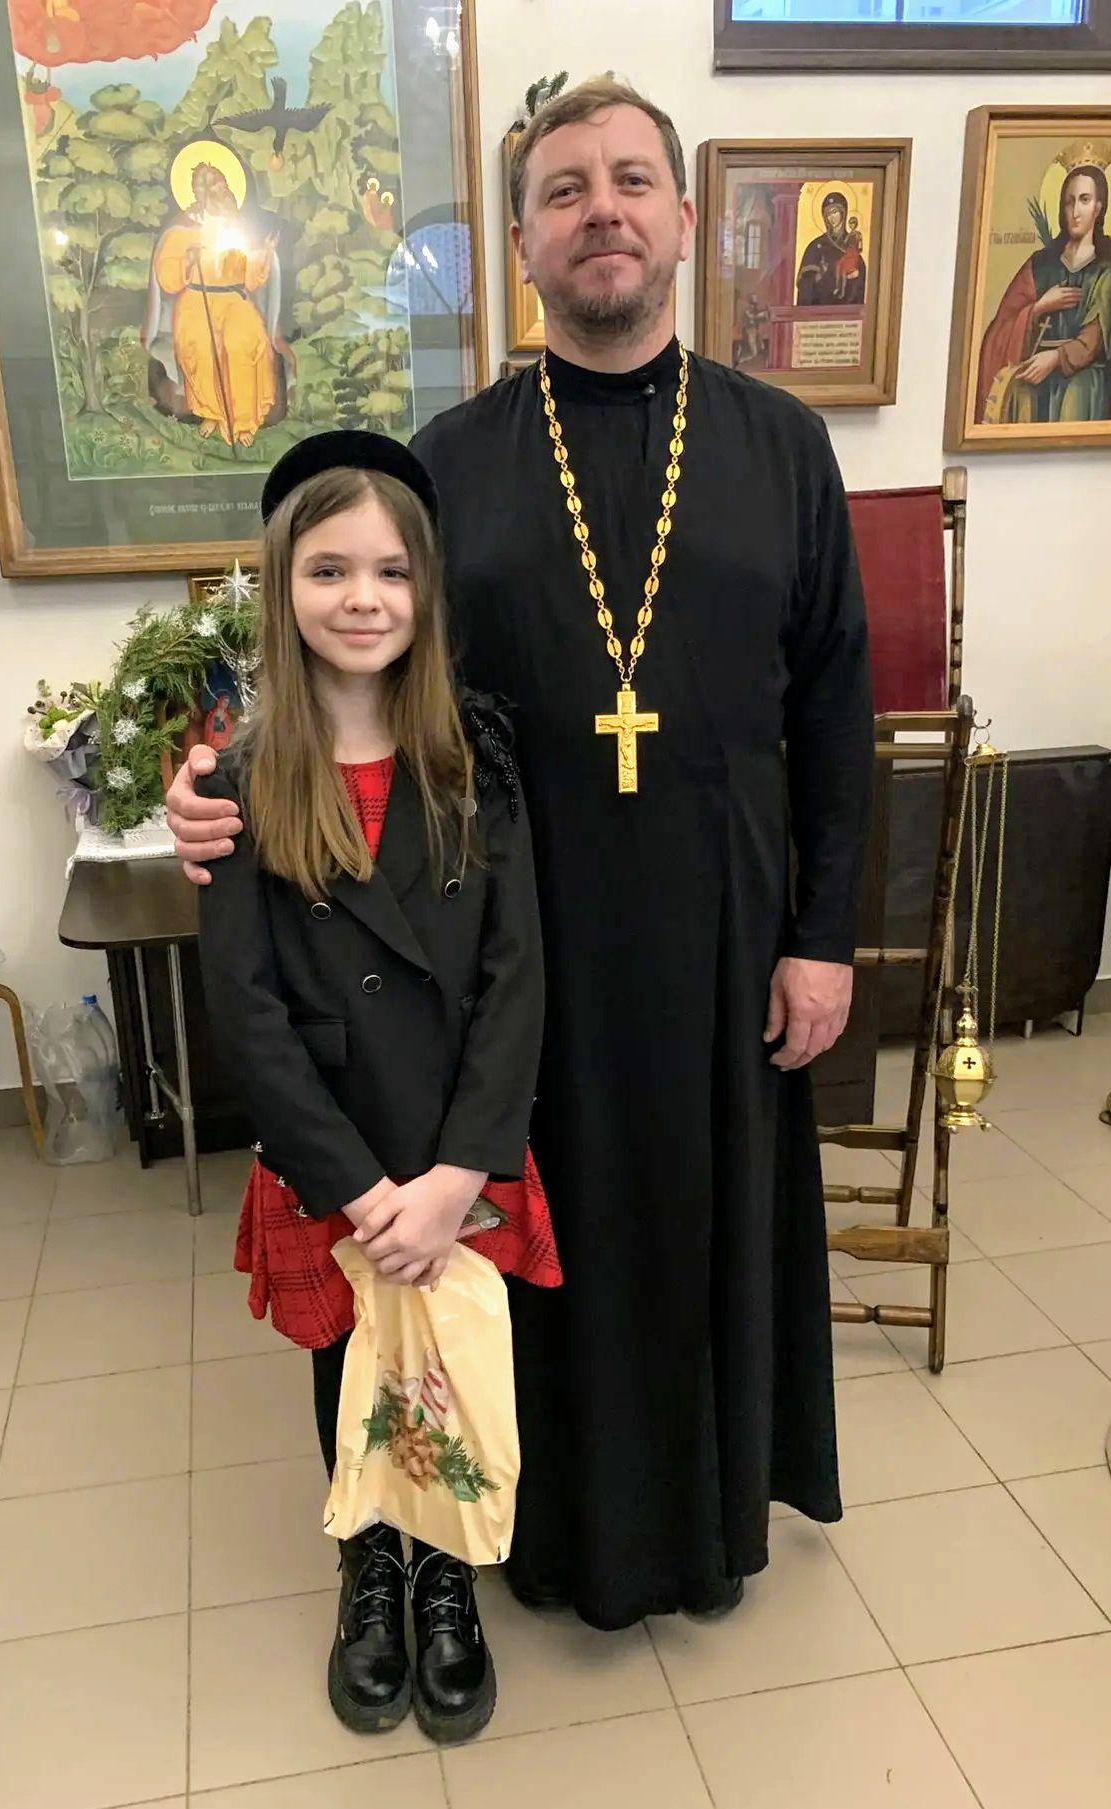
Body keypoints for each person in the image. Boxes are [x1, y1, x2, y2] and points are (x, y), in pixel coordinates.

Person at [168, 76, 874, 1633]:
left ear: (682, 220)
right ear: (522, 240)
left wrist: (824, 933)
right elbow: (347, 666)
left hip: (721, 945)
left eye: (629, 181)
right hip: (499, 955)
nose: (599, 210)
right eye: (564, 189)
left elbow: (836, 706)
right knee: (518, 1242)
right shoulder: (453, 459)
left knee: (697, 1232)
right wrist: (213, 781)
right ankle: (511, 1525)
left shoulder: (778, 445)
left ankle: (698, 1521)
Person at [193, 428, 559, 1742]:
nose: (363, 598)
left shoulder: (476, 754)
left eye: (392, 572)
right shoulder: (239, 777)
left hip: (456, 1143)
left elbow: (518, 973)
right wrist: (357, 1188)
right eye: (330, 570)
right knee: (346, 1360)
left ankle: (446, 1572)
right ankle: (369, 1565)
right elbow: (246, 1011)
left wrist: (460, 1169)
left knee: (454, 1354)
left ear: (427, 588)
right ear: (284, 584)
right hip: (333, 1154)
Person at [143, 154, 280, 445]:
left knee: (242, 343)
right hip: (196, 302)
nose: (222, 192)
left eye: (223, 185)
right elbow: (168, 279)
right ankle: (212, 412)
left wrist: (265, 253)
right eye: (213, 186)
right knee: (201, 347)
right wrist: (187, 260)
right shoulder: (182, 231)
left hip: (235, 301)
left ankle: (243, 421)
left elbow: (252, 279)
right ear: (200, 193)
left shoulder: (239, 230)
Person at [974, 160, 1111, 427]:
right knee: (1018, 392)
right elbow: (999, 330)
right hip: (1036, 369)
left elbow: (1092, 342)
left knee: (1077, 393)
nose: (1075, 211)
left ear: (1098, 207)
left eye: (1084, 200)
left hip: (1084, 381)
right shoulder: (1040, 265)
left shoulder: (1106, 267)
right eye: (1069, 201)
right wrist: (1038, 307)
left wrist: (1056, 358)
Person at [796, 190, 865, 308]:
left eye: (835, 212)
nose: (831, 217)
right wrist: (819, 276)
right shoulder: (816, 246)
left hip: (846, 311)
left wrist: (856, 275)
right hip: (819, 310)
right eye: (828, 214)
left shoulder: (851, 245)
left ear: (843, 213)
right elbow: (804, 283)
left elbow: (860, 274)